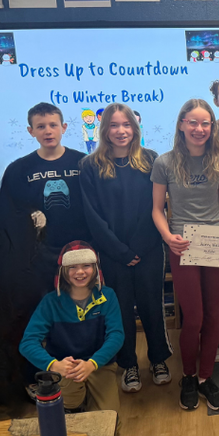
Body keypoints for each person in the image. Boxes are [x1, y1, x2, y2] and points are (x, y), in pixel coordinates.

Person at [151, 99, 219, 412]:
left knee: (212, 315)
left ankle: (206, 377)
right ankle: (189, 376)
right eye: (192, 122)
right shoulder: (164, 163)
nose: (199, 129)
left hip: (217, 243)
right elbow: (156, 209)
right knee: (192, 318)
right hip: (184, 246)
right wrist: (168, 237)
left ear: (212, 127)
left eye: (205, 123)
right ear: (181, 124)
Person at [79, 103, 173, 391]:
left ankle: (158, 358)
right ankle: (128, 365)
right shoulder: (90, 166)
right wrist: (120, 251)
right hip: (112, 254)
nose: (121, 131)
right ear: (104, 129)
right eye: (114, 125)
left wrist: (141, 249)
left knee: (151, 307)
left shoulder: (151, 160)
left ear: (135, 128)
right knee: (119, 311)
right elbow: (92, 216)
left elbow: (157, 207)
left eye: (127, 125)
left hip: (148, 250)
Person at [19, 241, 123, 418]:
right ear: (63, 272)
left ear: (96, 269)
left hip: (99, 365)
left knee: (111, 423)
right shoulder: (50, 302)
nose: (80, 272)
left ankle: (90, 394)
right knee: (70, 414)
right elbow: (27, 343)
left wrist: (92, 363)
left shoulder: (108, 296)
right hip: (65, 366)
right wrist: (54, 365)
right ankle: (74, 404)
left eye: (86, 266)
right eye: (72, 267)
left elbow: (116, 335)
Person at [0, 102, 90, 276]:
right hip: (41, 253)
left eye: (53, 125)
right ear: (31, 131)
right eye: (41, 126)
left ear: (64, 127)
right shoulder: (19, 170)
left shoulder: (85, 163)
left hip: (82, 247)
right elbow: (8, 213)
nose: (48, 131)